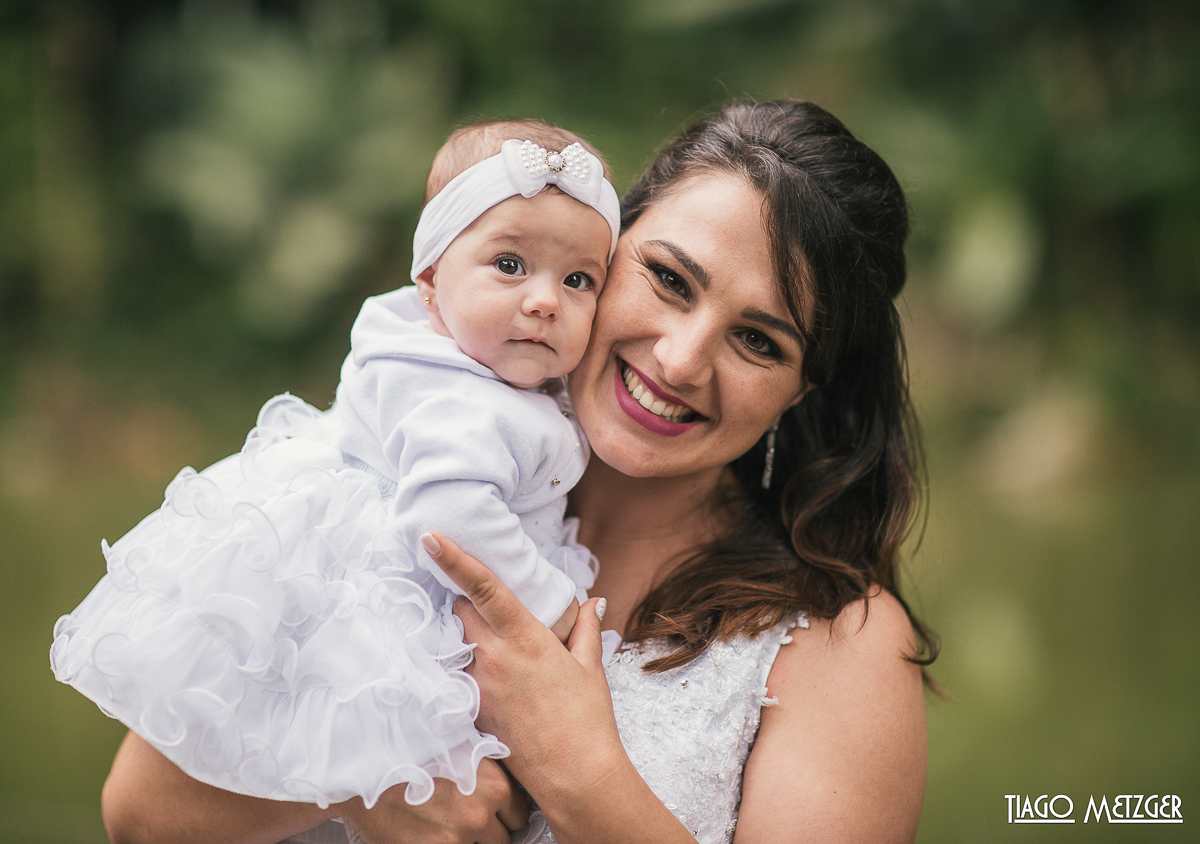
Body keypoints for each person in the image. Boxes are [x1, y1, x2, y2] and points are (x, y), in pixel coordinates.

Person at [99, 99, 936, 844]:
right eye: (670, 280)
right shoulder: (389, 468)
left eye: (759, 340)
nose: (681, 361)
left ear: (802, 388)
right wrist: (372, 787)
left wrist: (581, 774)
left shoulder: (840, 642)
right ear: (603, 249)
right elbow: (138, 812)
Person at [51, 119, 623, 810]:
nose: (543, 300)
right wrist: (552, 608)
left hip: (360, 556)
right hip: (396, 600)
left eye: (578, 280)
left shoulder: (430, 349)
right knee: (364, 730)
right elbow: (450, 516)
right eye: (509, 265)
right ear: (433, 278)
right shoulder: (463, 402)